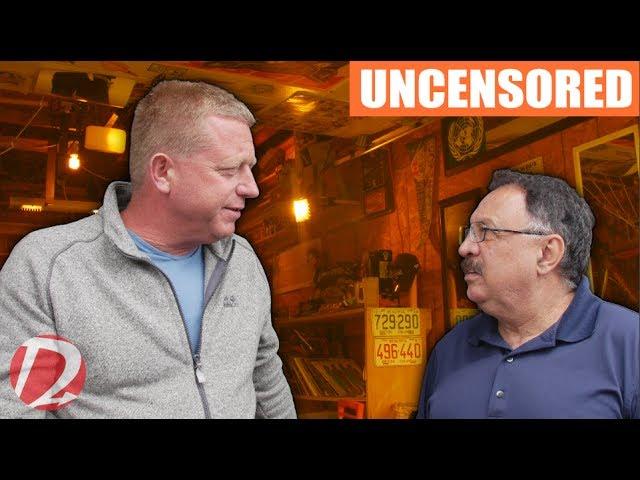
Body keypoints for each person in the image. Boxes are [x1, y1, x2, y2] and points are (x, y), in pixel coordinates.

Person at [0, 80, 296, 418]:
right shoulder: (46, 266)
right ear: (163, 172)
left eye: (250, 169)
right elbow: (18, 406)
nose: (252, 188)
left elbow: (266, 377)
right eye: (229, 170)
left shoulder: (241, 260)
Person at [417, 169, 638, 419]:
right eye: (468, 232)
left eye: (485, 231)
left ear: (546, 254)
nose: (464, 248)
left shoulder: (629, 343)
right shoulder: (450, 349)